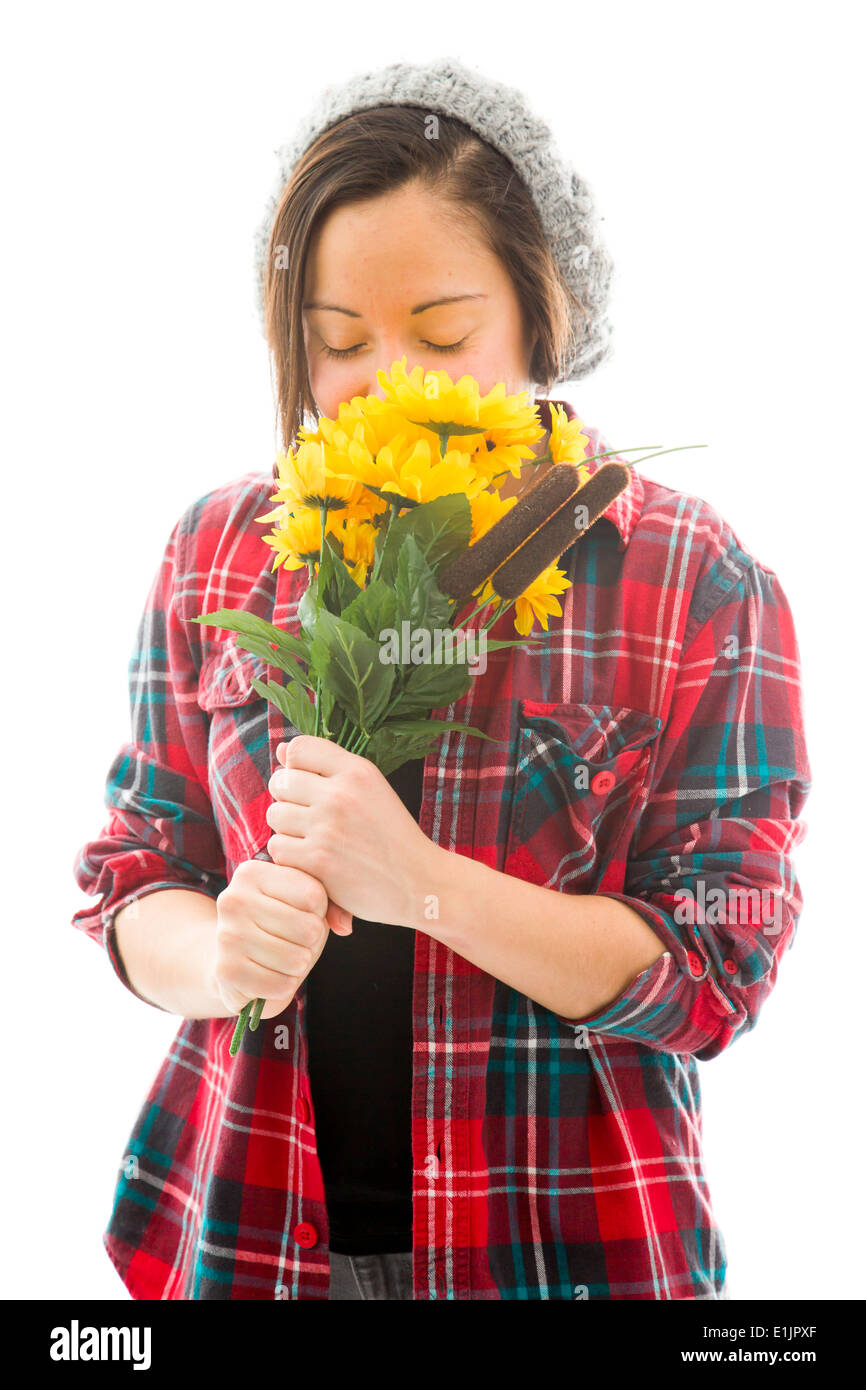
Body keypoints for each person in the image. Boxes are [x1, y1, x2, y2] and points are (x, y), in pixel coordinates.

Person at [71, 57, 811, 1301]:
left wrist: (420, 885)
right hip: (243, 1239)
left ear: (542, 315)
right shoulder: (218, 550)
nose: (388, 383)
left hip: (564, 1257)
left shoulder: (689, 575)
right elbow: (134, 875)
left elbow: (716, 971)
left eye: (444, 333)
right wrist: (221, 955)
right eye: (338, 342)